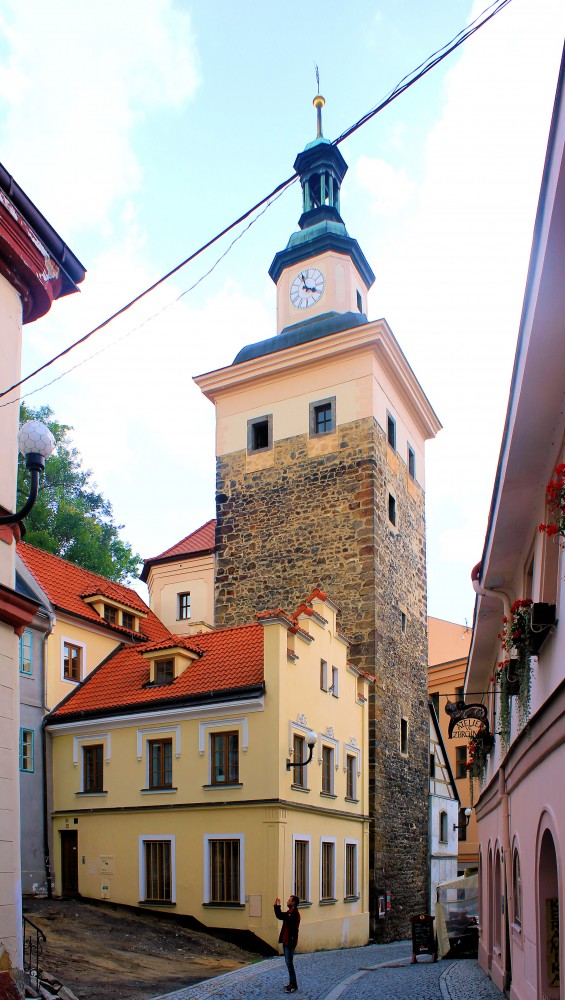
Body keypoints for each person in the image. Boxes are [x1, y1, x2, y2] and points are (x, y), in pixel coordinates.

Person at [274, 894, 301, 993]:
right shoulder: (290, 913)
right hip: (286, 941)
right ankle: (292, 983)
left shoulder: (294, 914)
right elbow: (280, 915)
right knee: (288, 963)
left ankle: (293, 984)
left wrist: (278, 908)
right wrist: (277, 906)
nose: (287, 901)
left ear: (293, 903)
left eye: (289, 900)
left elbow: (290, 923)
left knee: (289, 963)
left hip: (290, 942)